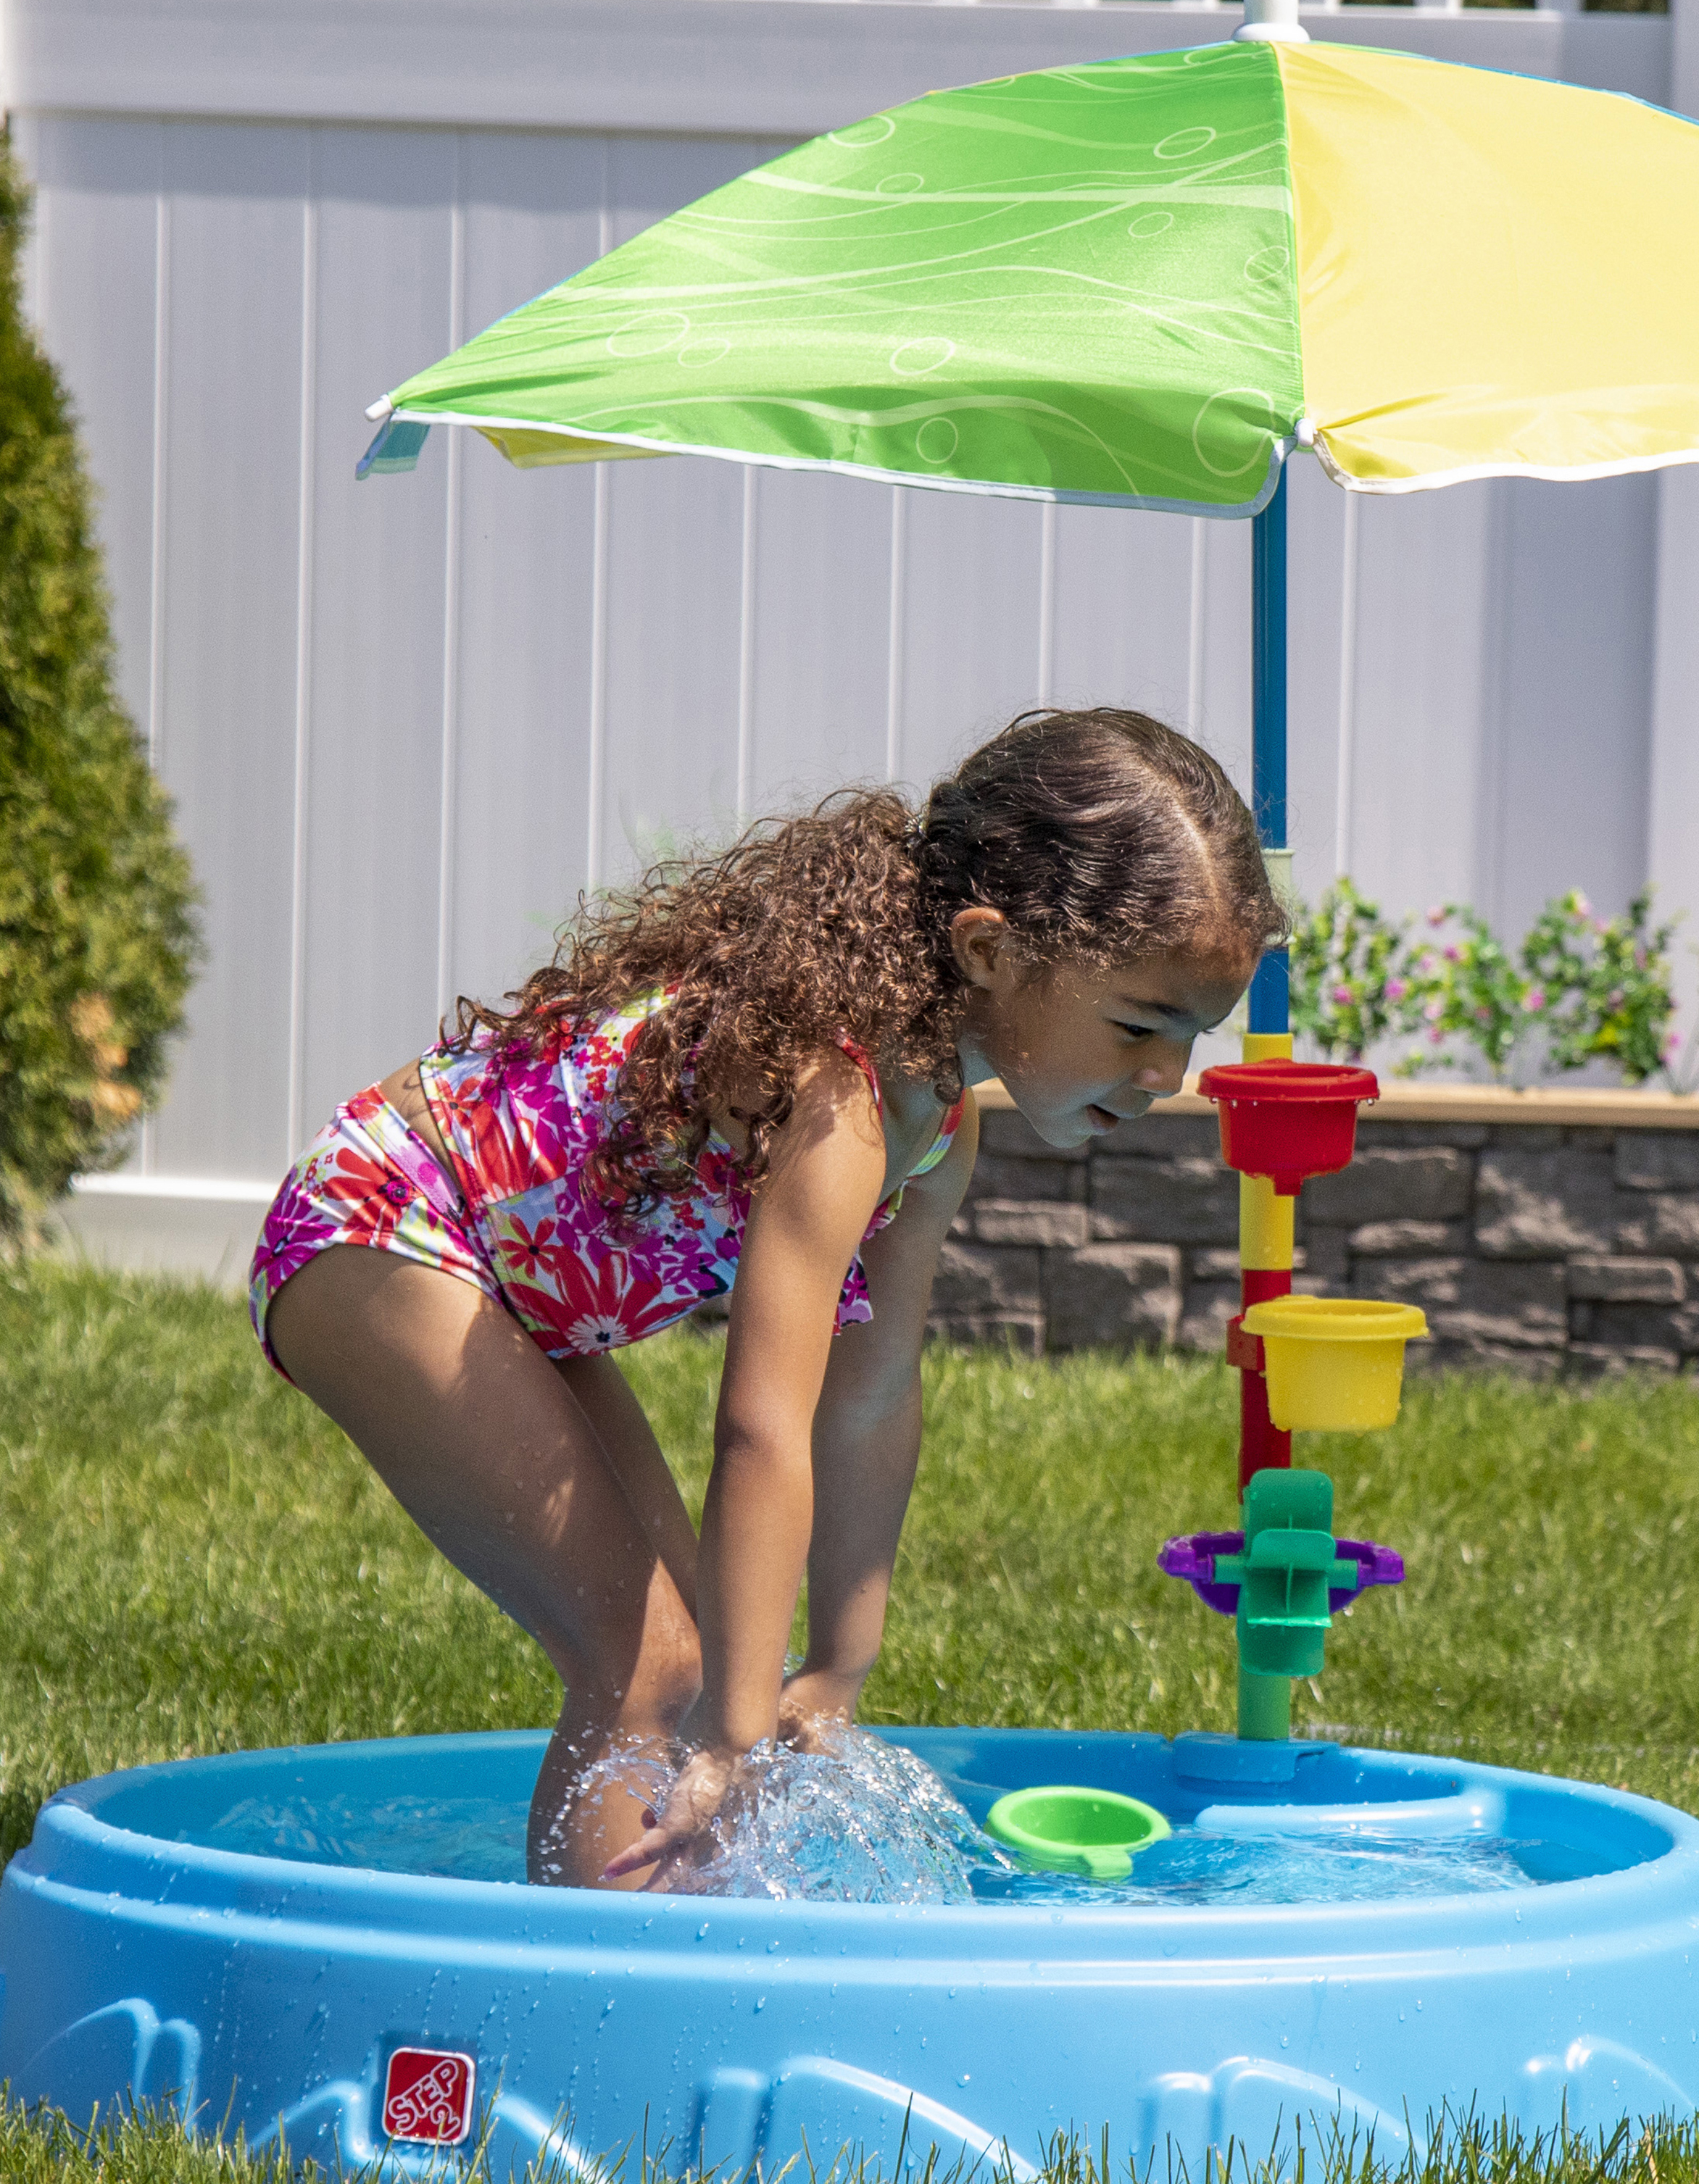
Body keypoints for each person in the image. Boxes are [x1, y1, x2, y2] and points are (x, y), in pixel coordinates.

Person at [248, 708, 1280, 1888]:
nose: (1170, 1076)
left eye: (1193, 1035)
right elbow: (762, 1425)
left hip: (519, 1286)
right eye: (1142, 1024)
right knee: (653, 1673)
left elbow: (873, 1394)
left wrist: (837, 1663)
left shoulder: (939, 1129)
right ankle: (593, 2011)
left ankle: (699, 1951)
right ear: (991, 951)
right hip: (389, 1223)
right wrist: (736, 1731)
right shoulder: (836, 1099)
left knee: (701, 1662)